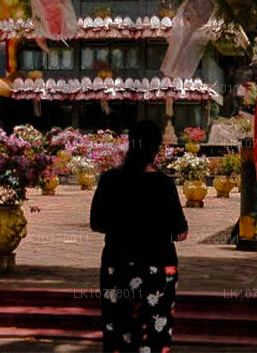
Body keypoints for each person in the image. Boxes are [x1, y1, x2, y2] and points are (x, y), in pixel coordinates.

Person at [89, 120, 188, 352]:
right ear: (156, 148)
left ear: (130, 144)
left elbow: (97, 223)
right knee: (155, 329)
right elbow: (179, 231)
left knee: (118, 326)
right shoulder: (163, 184)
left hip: (118, 264)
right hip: (157, 265)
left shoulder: (110, 180)